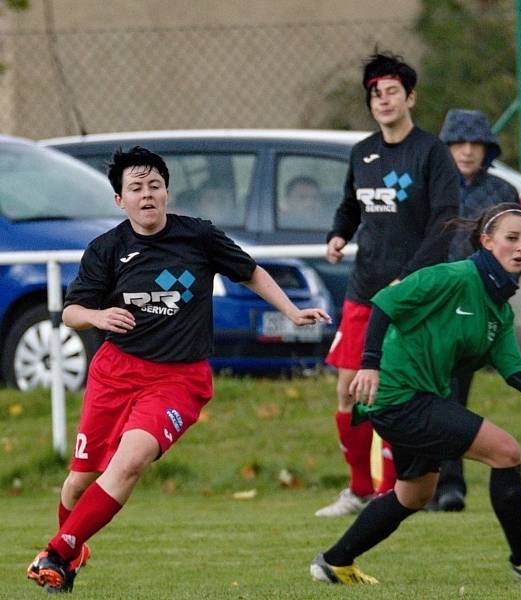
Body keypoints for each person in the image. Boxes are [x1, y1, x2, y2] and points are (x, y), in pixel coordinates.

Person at [26, 146, 331, 593]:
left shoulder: (199, 237)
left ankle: (54, 553)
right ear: (119, 200)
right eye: (136, 188)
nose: (146, 195)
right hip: (115, 373)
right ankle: (70, 554)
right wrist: (96, 317)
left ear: (167, 192)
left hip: (177, 380)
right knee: (78, 482)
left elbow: (250, 272)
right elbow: (72, 311)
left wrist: (292, 311)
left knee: (129, 462)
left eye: (154, 186)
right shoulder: (107, 249)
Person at [309, 203, 521, 585]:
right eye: (511, 239)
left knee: (415, 494)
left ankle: (334, 562)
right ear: (486, 241)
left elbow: (513, 370)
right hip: (400, 397)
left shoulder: (499, 310)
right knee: (506, 451)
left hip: (421, 398)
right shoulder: (453, 276)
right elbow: (385, 303)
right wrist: (369, 363)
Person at [317, 51, 460, 518]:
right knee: (348, 389)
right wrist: (339, 234)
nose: (383, 99)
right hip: (365, 290)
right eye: (375, 93)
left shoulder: (431, 153)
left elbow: (445, 223)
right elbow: (351, 207)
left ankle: (398, 490)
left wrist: (411, 277)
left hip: (414, 295)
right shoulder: (362, 153)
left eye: (392, 91)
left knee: (397, 393)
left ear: (410, 96)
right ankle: (358, 489)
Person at [429, 108, 521, 512]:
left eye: (475, 143)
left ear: (487, 148)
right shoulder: (429, 187)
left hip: (473, 310)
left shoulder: (502, 193)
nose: (467, 152)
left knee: (451, 397)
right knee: (424, 397)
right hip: (429, 306)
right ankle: (425, 484)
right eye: (458, 143)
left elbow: (516, 250)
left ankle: (449, 486)